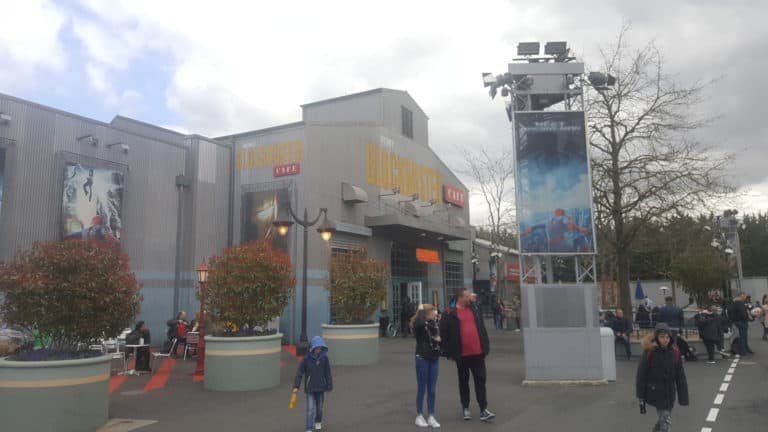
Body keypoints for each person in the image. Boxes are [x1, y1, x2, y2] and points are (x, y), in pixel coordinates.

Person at [440, 288, 495, 422]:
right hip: (462, 354)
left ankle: (483, 409)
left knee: (480, 380)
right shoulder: (449, 313)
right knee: (463, 381)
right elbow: (444, 334)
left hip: (477, 352)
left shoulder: (474, 309)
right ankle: (465, 407)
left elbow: (481, 328)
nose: (470, 297)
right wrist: (449, 353)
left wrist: (485, 346)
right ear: (460, 298)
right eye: (467, 295)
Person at [636, 323, 689, 432]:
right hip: (656, 393)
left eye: (667, 337)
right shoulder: (650, 352)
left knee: (663, 419)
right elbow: (641, 375)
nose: (665, 340)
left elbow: (680, 376)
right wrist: (641, 398)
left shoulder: (675, 352)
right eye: (662, 337)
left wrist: (683, 397)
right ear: (656, 338)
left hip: (670, 394)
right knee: (665, 423)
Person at [293, 336, 333, 432]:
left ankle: (318, 422)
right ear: (313, 348)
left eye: (320, 348)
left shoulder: (324, 359)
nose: (318, 350)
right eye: (317, 348)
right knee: (310, 409)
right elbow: (299, 373)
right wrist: (296, 386)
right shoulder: (306, 359)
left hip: (321, 387)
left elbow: (328, 373)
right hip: (310, 388)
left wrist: (329, 385)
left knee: (319, 408)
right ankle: (309, 428)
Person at [411, 304, 442, 428]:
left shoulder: (434, 324)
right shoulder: (419, 325)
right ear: (426, 313)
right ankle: (419, 415)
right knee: (422, 388)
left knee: (432, 389)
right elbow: (418, 323)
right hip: (422, 358)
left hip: (433, 358)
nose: (435, 312)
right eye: (432, 311)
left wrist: (438, 339)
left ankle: (431, 415)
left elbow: (439, 338)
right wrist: (421, 310)